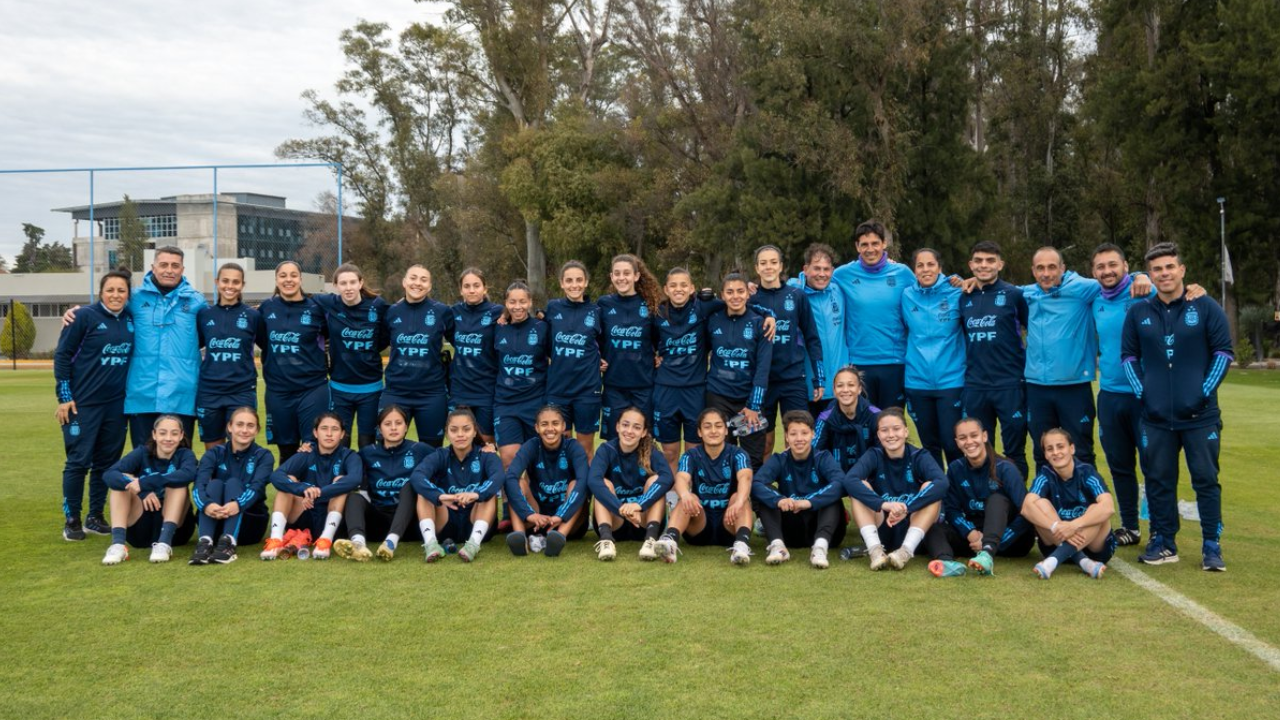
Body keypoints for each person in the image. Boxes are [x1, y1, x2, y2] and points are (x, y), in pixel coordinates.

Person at [1122, 242, 1232, 571]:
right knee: (1158, 480)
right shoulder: (1138, 311)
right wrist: (1145, 394)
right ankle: (1164, 541)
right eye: (1157, 269)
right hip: (1155, 418)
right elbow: (1128, 357)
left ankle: (1212, 545)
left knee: (1205, 480)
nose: (1164, 273)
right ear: (1150, 275)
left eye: (1170, 267)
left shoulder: (1206, 306)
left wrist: (1201, 394)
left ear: (1181, 270)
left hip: (1200, 417)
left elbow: (1223, 353)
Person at [1020, 246, 1151, 470]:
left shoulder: (1084, 287)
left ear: (1063, 268)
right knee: (1042, 452)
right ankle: (1048, 504)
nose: (1046, 273)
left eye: (1052, 267)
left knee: (1080, 451)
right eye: (1040, 268)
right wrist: (963, 281)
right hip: (1036, 387)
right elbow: (993, 289)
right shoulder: (1025, 294)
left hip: (1074, 386)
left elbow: (1115, 278)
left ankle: (1087, 503)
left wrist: (1141, 275)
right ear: (1033, 271)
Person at [54, 268, 134, 540]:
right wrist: (64, 397)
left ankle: (94, 517)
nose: (115, 295)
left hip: (116, 406)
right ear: (100, 292)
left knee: (106, 463)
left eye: (121, 290)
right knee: (78, 461)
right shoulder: (83, 316)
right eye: (110, 290)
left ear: (128, 294)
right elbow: (63, 356)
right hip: (83, 405)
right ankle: (72, 519)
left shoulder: (131, 318)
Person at [843, 408, 949, 572]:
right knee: (859, 487)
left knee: (930, 487)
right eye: (884, 430)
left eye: (896, 429)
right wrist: (884, 505)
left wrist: (907, 508)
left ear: (906, 431)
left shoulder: (919, 456)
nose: (891, 435)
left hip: (913, 526)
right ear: (878, 435)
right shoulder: (874, 455)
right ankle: (875, 551)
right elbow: (849, 480)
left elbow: (942, 482)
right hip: (883, 526)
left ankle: (905, 551)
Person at [957, 241, 1030, 478]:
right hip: (976, 385)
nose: (984, 265)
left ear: (1000, 264)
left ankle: (1019, 505)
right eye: (978, 260)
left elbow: (1032, 331)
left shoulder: (1014, 295)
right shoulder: (963, 297)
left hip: (1009, 384)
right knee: (977, 450)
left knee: (1014, 451)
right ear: (970, 265)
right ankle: (987, 502)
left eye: (990, 260)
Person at [830, 220, 914, 409]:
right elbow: (814, 278)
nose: (870, 249)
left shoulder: (902, 273)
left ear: (884, 244)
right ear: (857, 246)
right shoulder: (843, 273)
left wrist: (953, 281)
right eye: (864, 244)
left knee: (891, 424)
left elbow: (927, 290)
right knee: (864, 424)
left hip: (894, 362)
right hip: (859, 363)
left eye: (875, 243)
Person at [654, 408, 754, 565]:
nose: (713, 431)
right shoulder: (691, 455)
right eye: (707, 426)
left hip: (729, 522)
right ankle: (670, 542)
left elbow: (745, 477)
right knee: (689, 497)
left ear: (726, 430)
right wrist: (685, 495)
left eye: (718, 426)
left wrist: (740, 501)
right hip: (699, 524)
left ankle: (741, 546)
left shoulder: (738, 454)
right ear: (700, 432)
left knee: (739, 498)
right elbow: (681, 478)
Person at [333, 405, 432, 562]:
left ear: (406, 426)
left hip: (410, 524)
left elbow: (448, 457)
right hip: (378, 521)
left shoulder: (419, 449)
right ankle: (358, 543)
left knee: (411, 485)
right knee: (354, 498)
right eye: (387, 424)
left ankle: (391, 543)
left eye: (398, 423)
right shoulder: (367, 453)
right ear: (379, 428)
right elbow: (339, 459)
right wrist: (310, 448)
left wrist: (485, 449)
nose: (393, 428)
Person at [937, 418, 1034, 578]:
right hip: (976, 540)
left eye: (974, 435)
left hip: (1011, 540)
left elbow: (1026, 513)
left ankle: (987, 554)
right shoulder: (955, 469)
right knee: (935, 527)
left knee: (996, 499)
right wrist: (971, 533)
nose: (969, 442)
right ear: (957, 442)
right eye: (963, 438)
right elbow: (952, 510)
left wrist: (995, 542)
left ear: (984, 436)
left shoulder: (1006, 468)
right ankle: (947, 563)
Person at [751, 410, 846, 569]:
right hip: (791, 530)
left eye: (804, 433)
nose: (799, 439)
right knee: (766, 496)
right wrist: (779, 500)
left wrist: (809, 502)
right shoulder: (779, 459)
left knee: (833, 497)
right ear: (787, 437)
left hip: (823, 527)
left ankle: (820, 548)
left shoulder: (823, 457)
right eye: (794, 434)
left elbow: (841, 483)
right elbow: (757, 483)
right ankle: (778, 546)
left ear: (813, 435)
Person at [752, 245, 825, 451]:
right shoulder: (750, 299)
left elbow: (812, 337)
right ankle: (763, 482)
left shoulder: (796, 295)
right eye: (763, 263)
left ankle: (791, 483)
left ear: (781, 266)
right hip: (761, 382)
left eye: (773, 262)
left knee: (795, 437)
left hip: (793, 379)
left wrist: (819, 377)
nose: (769, 267)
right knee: (763, 441)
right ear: (757, 268)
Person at [262, 412, 361, 560]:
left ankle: (325, 540)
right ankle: (275, 540)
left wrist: (318, 493)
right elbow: (276, 476)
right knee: (288, 480)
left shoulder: (349, 456)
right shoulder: (306, 454)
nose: (329, 433)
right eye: (324, 428)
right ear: (315, 432)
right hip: (303, 512)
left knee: (341, 480)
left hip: (331, 515)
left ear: (342, 434)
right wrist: (303, 489)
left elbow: (355, 479)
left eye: (334, 429)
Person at [410, 407, 504, 563]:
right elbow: (417, 476)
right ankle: (431, 544)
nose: (460, 434)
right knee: (425, 493)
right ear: (447, 433)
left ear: (475, 431)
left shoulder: (486, 455)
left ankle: (474, 544)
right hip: (447, 521)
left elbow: (499, 476)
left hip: (476, 520)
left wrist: (476, 494)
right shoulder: (440, 455)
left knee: (488, 494)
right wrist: (440, 496)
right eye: (454, 430)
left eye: (466, 429)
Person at [257, 261, 330, 463]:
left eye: (293, 275)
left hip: (312, 388)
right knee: (287, 450)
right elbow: (262, 341)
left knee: (314, 446)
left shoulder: (316, 309)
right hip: (278, 390)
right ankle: (290, 492)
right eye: (283, 275)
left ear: (300, 279)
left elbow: (330, 336)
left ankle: (315, 494)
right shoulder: (266, 308)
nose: (288, 280)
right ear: (276, 279)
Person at [100, 415, 197, 564]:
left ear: (181, 436)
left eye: (174, 433)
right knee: (122, 483)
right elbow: (109, 475)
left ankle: (164, 544)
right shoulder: (142, 452)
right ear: (154, 434)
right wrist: (141, 490)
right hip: (140, 528)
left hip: (176, 531)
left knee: (178, 484)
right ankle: (118, 545)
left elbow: (190, 473)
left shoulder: (185, 454)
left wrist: (148, 482)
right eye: (163, 433)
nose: (168, 438)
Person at [1021, 429, 1115, 580]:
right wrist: (1055, 526)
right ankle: (1084, 562)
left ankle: (1053, 561)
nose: (1056, 452)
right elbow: (1026, 507)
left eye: (1060, 446)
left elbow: (1109, 507)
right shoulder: (1045, 474)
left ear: (1072, 449)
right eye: (1050, 449)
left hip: (1094, 548)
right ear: (1045, 454)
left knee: (1096, 508)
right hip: (1055, 541)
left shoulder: (1086, 472)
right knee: (1040, 504)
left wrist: (1074, 525)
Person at [901, 248, 965, 467]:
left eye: (930, 264)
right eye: (920, 265)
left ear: (940, 267)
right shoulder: (907, 295)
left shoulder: (957, 291)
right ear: (914, 269)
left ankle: (959, 496)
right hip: (917, 382)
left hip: (951, 381)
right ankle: (937, 497)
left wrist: (969, 280)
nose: (926, 269)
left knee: (952, 443)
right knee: (929, 446)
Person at [313, 263, 388, 448]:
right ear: (336, 285)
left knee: (368, 444)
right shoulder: (328, 303)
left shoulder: (377, 306)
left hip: (371, 388)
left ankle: (365, 478)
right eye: (343, 283)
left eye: (353, 282)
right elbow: (303, 301)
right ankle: (344, 478)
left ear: (361, 283)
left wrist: (368, 351)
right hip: (340, 388)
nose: (348, 287)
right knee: (340, 442)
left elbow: (385, 337)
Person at [502, 405, 592, 557]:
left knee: (576, 484)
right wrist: (530, 514)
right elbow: (510, 477)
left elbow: (584, 481)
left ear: (564, 426)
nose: (550, 429)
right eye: (544, 424)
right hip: (537, 519)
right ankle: (520, 537)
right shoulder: (531, 446)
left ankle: (558, 538)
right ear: (536, 428)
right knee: (517, 483)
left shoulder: (573, 447)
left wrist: (561, 515)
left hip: (568, 520)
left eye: (555, 423)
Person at [704, 272, 773, 469]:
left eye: (740, 291)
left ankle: (752, 499)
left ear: (747, 294)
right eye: (730, 292)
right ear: (722, 295)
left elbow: (763, 368)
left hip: (747, 402)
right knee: (721, 454)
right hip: (718, 396)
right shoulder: (713, 319)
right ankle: (726, 498)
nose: (735, 296)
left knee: (752, 458)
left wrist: (753, 405)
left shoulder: (761, 322)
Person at [189, 407, 275, 565]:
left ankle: (228, 544)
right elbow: (198, 486)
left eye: (250, 426)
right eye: (239, 424)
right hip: (215, 519)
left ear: (257, 430)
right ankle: (205, 543)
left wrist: (238, 504)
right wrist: (207, 505)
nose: (244, 430)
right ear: (230, 427)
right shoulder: (214, 453)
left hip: (249, 524)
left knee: (234, 483)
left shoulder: (264, 456)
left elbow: (257, 488)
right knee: (215, 484)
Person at [587, 407, 674, 561]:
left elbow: (668, 478)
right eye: (625, 425)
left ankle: (651, 541)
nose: (629, 431)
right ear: (617, 426)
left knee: (655, 481)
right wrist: (621, 508)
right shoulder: (606, 449)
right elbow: (593, 480)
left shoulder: (651, 451)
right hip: (616, 521)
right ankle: (606, 540)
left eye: (636, 427)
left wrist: (639, 505)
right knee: (603, 483)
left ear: (644, 432)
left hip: (643, 521)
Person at [381, 264, 454, 446]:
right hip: (396, 391)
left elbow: (462, 340)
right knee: (386, 446)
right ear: (404, 282)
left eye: (423, 280)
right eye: (413, 278)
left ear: (429, 286)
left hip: (431, 393)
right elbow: (377, 344)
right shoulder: (391, 312)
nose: (417, 283)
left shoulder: (442, 312)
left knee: (431, 451)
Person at [544, 261, 604, 462]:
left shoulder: (596, 311)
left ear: (586, 282)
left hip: (587, 390)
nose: (574, 285)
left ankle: (585, 494)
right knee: (561, 448)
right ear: (561, 283)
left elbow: (607, 345)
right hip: (558, 389)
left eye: (579, 280)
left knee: (585, 449)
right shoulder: (552, 308)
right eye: (569, 280)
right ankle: (565, 492)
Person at [196, 263, 260, 448]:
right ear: (217, 282)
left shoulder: (252, 316)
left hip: (241, 390)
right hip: (209, 391)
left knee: (241, 446)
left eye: (235, 282)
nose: (229, 286)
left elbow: (265, 344)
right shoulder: (204, 315)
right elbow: (197, 345)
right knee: (213, 450)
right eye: (225, 281)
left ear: (242, 285)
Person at [598, 254, 660, 441]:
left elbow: (662, 338)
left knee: (643, 440)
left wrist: (661, 355)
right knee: (615, 441)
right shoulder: (603, 304)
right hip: (614, 386)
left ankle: (648, 471)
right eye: (617, 273)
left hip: (643, 385)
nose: (621, 278)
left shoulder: (650, 304)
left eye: (626, 273)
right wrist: (596, 358)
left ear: (636, 276)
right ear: (611, 277)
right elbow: (591, 336)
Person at [494, 280, 551, 468]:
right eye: (512, 302)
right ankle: (511, 498)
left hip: (535, 401)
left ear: (530, 302)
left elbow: (558, 360)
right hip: (506, 403)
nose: (517, 307)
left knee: (537, 461)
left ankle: (534, 497)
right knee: (509, 457)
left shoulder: (542, 328)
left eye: (522, 301)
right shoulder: (498, 328)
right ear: (506, 303)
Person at [787, 243, 847, 417]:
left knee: (839, 440)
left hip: (838, 386)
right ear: (805, 269)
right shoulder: (793, 293)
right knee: (806, 439)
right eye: (817, 268)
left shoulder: (839, 290)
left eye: (826, 269)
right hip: (807, 386)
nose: (822, 274)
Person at [449, 267, 504, 444]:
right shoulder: (453, 312)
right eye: (467, 286)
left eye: (476, 285)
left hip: (486, 389)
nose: (472, 290)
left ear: (485, 288)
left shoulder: (498, 312)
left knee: (485, 444)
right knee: (460, 441)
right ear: (461, 290)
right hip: (460, 388)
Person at [812, 365, 879, 473]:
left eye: (851, 385)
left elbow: (885, 451)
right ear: (834, 390)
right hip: (836, 476)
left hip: (869, 476)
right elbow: (813, 450)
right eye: (840, 386)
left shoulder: (874, 415)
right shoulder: (825, 417)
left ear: (859, 389)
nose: (845, 390)